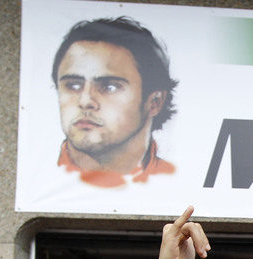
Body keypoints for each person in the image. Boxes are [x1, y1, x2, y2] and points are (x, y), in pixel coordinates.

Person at [51, 17, 177, 187]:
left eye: (109, 87)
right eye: (73, 85)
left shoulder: (172, 182)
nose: (86, 101)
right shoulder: (43, 179)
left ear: (155, 102)